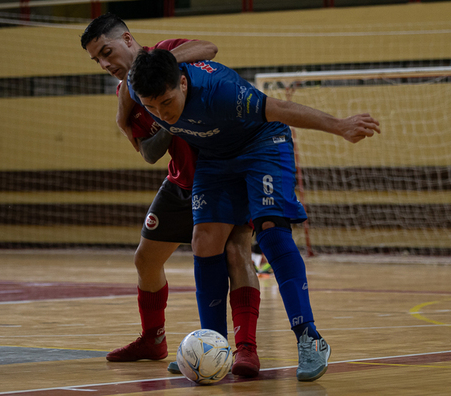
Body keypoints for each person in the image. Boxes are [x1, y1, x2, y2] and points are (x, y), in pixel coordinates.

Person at [128, 48, 381, 381]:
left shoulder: (223, 91)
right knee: (203, 240)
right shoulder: (139, 89)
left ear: (183, 83)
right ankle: (212, 346)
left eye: (166, 102)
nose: (162, 112)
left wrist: (340, 125)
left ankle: (310, 338)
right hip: (216, 159)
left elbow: (281, 109)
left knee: (271, 233)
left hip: (263, 144)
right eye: (151, 107)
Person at [80, 13, 262, 377]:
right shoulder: (125, 96)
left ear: (128, 40)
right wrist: (159, 114)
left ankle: (245, 349)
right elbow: (148, 153)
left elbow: (209, 47)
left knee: (235, 251)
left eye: (106, 51)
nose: (104, 63)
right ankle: (153, 339)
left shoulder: (166, 52)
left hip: (227, 174)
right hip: (181, 183)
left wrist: (159, 70)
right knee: (145, 260)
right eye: (96, 60)